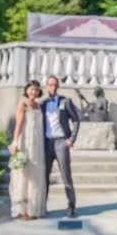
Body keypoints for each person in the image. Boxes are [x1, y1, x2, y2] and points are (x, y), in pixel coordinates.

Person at [41, 75, 80, 218]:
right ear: (46, 86)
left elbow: (76, 120)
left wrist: (71, 139)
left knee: (66, 175)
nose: (52, 87)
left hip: (61, 142)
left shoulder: (66, 101)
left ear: (58, 86)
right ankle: (42, 205)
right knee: (44, 176)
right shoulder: (43, 104)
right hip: (46, 143)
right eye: (50, 85)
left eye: (55, 84)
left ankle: (71, 206)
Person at [8, 80, 46, 220]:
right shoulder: (23, 104)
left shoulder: (39, 106)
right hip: (26, 141)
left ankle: (33, 208)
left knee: (35, 174)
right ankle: (22, 209)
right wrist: (14, 142)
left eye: (36, 90)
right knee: (24, 174)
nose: (33, 92)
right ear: (26, 90)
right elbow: (18, 124)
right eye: (31, 89)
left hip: (37, 143)